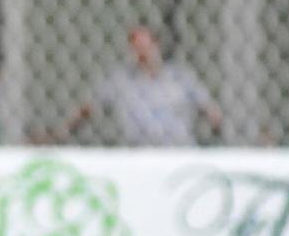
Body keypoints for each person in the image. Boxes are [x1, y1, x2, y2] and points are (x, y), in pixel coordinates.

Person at [60, 25, 222, 146]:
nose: (142, 54)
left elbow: (207, 107)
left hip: (177, 148)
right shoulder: (121, 80)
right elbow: (90, 106)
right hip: (139, 151)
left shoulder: (180, 77)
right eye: (137, 49)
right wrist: (65, 130)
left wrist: (215, 126)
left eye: (146, 47)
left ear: (156, 46)